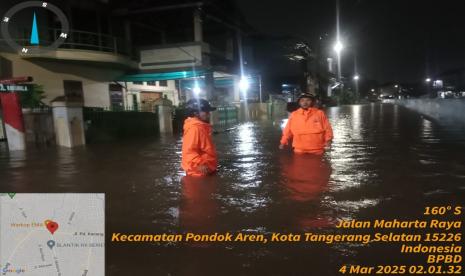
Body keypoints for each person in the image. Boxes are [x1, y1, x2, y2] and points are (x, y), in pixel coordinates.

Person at [181, 98, 218, 176]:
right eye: (206, 111)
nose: (209, 114)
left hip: (205, 169)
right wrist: (200, 163)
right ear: (196, 113)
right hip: (199, 172)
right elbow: (189, 150)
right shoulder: (194, 128)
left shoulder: (200, 126)